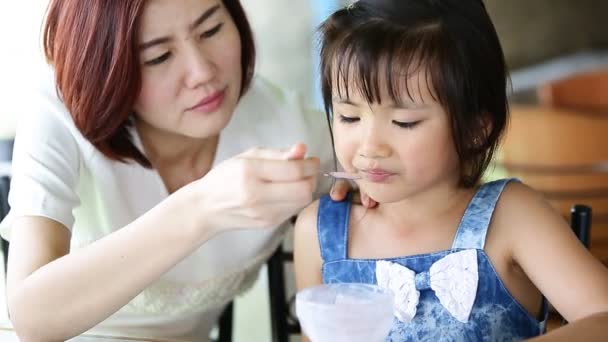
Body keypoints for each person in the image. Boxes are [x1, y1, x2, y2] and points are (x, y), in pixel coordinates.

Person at [0, 0, 370, 341]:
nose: (202, 72)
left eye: (211, 31)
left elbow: (389, 177)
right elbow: (32, 319)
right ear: (104, 67)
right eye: (159, 57)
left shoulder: (287, 129)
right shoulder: (58, 114)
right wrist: (202, 207)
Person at [294, 0, 608, 341]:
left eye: (404, 122)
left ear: (475, 129)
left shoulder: (512, 217)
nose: (370, 147)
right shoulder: (320, 233)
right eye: (349, 117)